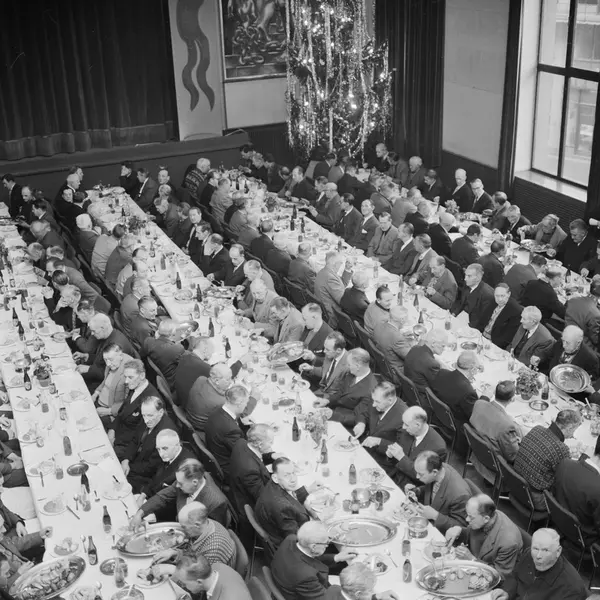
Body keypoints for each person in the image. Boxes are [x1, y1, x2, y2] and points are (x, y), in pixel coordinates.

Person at [491, 528, 587, 600]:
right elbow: (514, 576)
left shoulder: (572, 588)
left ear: (558, 551)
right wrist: (507, 592)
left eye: (545, 550)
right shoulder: (529, 554)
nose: (538, 556)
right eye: (536, 548)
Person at [270, 522, 358, 600]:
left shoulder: (291, 539)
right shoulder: (306, 576)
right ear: (313, 547)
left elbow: (309, 558)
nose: (327, 546)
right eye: (326, 543)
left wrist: (337, 557)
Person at [514, 409, 582, 510]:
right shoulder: (561, 448)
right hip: (535, 498)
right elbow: (565, 479)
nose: (573, 434)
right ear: (569, 427)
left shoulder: (537, 428)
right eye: (574, 430)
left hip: (515, 483)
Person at [131, 459, 228, 526]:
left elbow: (209, 534)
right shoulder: (183, 482)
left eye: (180, 483)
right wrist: (140, 513)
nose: (177, 486)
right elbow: (162, 497)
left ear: (195, 482)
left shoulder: (216, 502)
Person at [445, 495, 523, 578]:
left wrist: (472, 560)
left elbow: (499, 575)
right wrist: (459, 530)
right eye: (467, 515)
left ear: (486, 519)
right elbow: (471, 532)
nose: (467, 519)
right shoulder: (486, 515)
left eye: (471, 517)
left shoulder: (508, 543)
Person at [254, 457, 323, 548]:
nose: (293, 479)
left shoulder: (273, 484)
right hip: (288, 545)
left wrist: (308, 490)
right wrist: (318, 521)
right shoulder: (282, 507)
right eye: (287, 475)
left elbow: (290, 499)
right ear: (275, 478)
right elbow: (297, 538)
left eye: (293, 473)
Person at [152, 502, 236, 568]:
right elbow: (193, 555)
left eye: (184, 527)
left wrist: (171, 569)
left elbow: (200, 577)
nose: (183, 531)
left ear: (197, 525)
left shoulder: (214, 548)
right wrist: (174, 553)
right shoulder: (206, 523)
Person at [120, 397, 177, 493]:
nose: (146, 420)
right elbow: (135, 440)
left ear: (161, 412)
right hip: (136, 460)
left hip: (147, 475)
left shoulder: (166, 436)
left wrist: (129, 467)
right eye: (144, 415)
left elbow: (151, 467)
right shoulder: (148, 416)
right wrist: (126, 460)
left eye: (150, 416)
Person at [406, 451, 470, 534]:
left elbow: (461, 527)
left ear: (435, 472)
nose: (417, 477)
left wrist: (435, 515)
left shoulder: (459, 495)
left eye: (420, 474)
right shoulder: (439, 469)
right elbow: (431, 488)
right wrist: (417, 491)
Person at [352, 379, 408, 474]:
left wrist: (379, 441)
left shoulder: (404, 417)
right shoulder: (377, 399)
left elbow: (403, 449)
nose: (373, 404)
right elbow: (364, 413)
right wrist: (361, 423)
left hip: (384, 462)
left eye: (377, 402)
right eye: (373, 400)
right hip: (365, 449)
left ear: (390, 400)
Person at [470, 381, 522, 479]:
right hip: (494, 462)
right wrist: (519, 439)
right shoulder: (507, 425)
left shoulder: (479, 403)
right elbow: (512, 456)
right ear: (512, 399)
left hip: (478, 451)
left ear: (495, 393)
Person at [107, 359, 159, 456]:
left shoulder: (151, 401)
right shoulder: (135, 386)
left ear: (142, 375)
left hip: (127, 445)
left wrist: (115, 442)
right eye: (125, 377)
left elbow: (140, 436)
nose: (126, 381)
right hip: (118, 432)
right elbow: (122, 412)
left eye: (130, 377)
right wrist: (112, 430)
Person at [385, 406, 447, 488]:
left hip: (412, 487)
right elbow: (396, 461)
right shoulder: (406, 432)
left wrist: (401, 458)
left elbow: (423, 477)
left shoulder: (438, 447)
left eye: (406, 425)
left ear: (418, 425)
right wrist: (391, 456)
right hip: (394, 477)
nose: (403, 427)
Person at [314, 348, 376, 426]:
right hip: (334, 410)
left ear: (357, 366)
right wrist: (327, 401)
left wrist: (334, 415)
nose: (347, 367)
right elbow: (340, 393)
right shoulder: (352, 373)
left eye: (349, 365)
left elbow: (358, 418)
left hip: (345, 422)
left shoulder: (370, 390)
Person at [77, 313, 138, 387]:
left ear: (102, 328)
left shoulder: (116, 346)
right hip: (99, 372)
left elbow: (110, 374)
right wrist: (88, 357)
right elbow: (102, 359)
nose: (92, 334)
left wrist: (89, 369)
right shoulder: (109, 334)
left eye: (94, 331)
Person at [205, 385, 253, 479]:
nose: (246, 406)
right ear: (239, 403)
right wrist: (254, 432)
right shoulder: (230, 429)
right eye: (246, 403)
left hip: (217, 451)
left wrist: (243, 424)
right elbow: (245, 452)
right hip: (229, 467)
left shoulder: (218, 410)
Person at [229, 424, 276, 516]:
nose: (272, 445)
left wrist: (271, 456)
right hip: (252, 504)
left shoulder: (241, 442)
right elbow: (264, 497)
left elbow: (254, 456)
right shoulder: (250, 471)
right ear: (260, 444)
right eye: (270, 442)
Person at [138, 430, 195, 501]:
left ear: (177, 445)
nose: (161, 454)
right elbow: (156, 477)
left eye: (165, 448)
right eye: (158, 449)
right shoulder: (168, 454)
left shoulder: (187, 469)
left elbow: (175, 500)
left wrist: (146, 504)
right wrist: (143, 495)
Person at [171, 554, 252, 600]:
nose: (184, 586)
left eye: (185, 584)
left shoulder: (226, 597)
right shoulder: (218, 566)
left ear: (199, 582)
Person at [431, 351, 480, 426]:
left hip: (438, 413)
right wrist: (484, 397)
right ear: (472, 369)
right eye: (476, 368)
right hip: (456, 423)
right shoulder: (468, 392)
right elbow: (474, 416)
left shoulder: (442, 372)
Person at [91, 343, 133, 423]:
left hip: (109, 411)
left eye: (110, 359)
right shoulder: (112, 365)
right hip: (99, 401)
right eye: (105, 360)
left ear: (121, 356)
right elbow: (105, 381)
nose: (108, 364)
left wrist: (109, 411)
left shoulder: (129, 373)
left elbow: (128, 401)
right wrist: (95, 394)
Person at [184, 363, 232, 432]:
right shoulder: (221, 401)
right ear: (216, 381)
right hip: (200, 428)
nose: (230, 382)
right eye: (228, 379)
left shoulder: (200, 379)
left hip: (187, 416)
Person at [372, 306, 417, 378]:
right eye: (406, 318)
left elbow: (389, 338)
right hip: (397, 371)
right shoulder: (397, 338)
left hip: (384, 363)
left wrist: (402, 336)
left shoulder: (378, 325)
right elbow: (411, 357)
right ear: (402, 320)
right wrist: (416, 344)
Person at [142, 320, 186, 389]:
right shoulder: (177, 349)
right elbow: (186, 365)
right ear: (173, 333)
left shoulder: (148, 341)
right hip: (172, 382)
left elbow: (141, 355)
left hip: (153, 376)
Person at [313, 252, 352, 328]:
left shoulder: (324, 271)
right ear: (335, 264)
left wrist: (347, 269)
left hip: (322, 310)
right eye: (340, 263)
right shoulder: (330, 278)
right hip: (332, 315)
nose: (341, 265)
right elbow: (343, 301)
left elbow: (341, 284)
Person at [480, 283, 523, 349]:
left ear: (509, 294)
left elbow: (508, 337)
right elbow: (483, 319)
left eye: (502, 296)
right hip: (481, 335)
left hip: (494, 343)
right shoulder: (493, 301)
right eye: (497, 296)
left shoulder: (516, 310)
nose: (499, 299)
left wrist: (492, 345)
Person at [325, 562, 400, 600]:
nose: (373, 592)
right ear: (358, 594)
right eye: (370, 590)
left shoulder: (333, 588)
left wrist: (377, 596)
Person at [174, 337, 215, 405]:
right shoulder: (205, 367)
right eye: (212, 351)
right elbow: (218, 383)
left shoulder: (185, 355)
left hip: (179, 395)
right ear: (205, 349)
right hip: (190, 404)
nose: (212, 354)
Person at [404, 330, 447, 395]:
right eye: (443, 346)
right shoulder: (432, 364)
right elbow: (438, 387)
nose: (444, 349)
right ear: (433, 343)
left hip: (410, 389)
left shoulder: (415, 348)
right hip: (423, 395)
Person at [456, 263, 495, 331]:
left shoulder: (488, 296)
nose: (465, 279)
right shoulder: (468, 283)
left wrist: (466, 328)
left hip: (472, 327)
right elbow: (461, 303)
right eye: (465, 275)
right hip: (463, 316)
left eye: (469, 276)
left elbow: (481, 321)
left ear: (478, 278)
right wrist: (454, 314)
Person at [565, 276, 600, 349]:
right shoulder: (596, 314)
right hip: (580, 345)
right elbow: (595, 340)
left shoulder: (573, 299)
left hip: (566, 332)